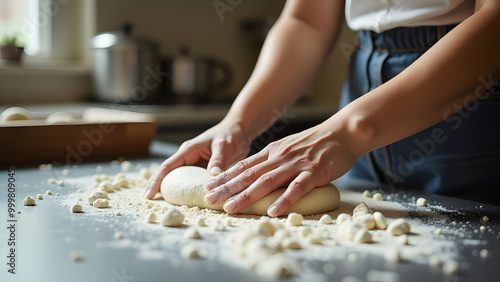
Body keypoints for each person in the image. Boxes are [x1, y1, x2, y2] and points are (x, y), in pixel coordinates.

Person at [145, 0, 500, 216]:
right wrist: (239, 123)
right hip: (360, 87)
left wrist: (348, 132)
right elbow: (307, 20)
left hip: (461, 96)